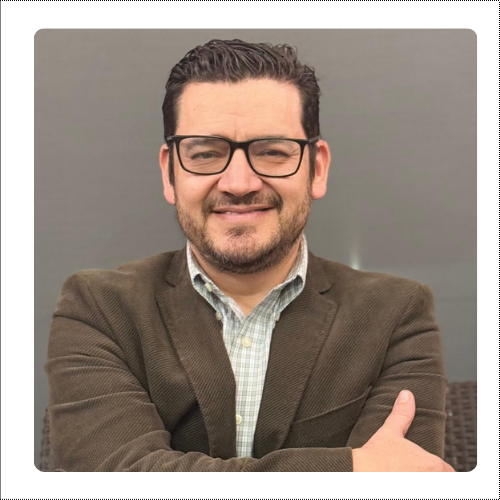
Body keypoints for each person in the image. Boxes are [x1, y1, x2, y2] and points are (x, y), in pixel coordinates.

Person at [45, 39, 454, 472]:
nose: (239, 183)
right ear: (169, 172)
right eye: (206, 154)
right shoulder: (98, 308)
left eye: (272, 152)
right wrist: (351, 468)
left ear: (316, 168)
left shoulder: (397, 313)